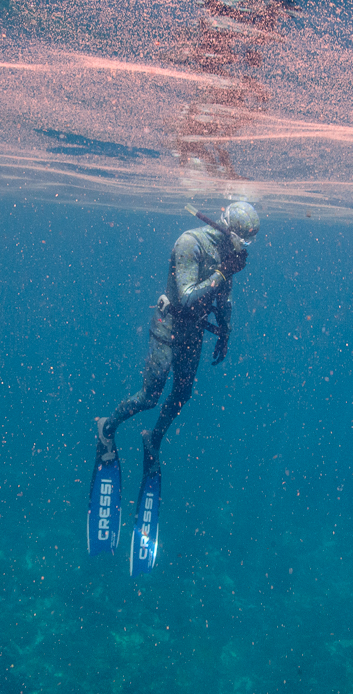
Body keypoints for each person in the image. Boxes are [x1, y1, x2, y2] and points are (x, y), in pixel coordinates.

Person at [87, 201, 260, 575]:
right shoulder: (191, 243)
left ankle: (153, 441)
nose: (243, 249)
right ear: (230, 231)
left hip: (194, 334)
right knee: (150, 396)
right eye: (242, 240)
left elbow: (222, 296)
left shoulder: (227, 254)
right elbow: (186, 297)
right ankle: (107, 428)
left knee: (182, 395)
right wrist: (220, 273)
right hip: (168, 331)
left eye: (248, 244)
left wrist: (225, 332)